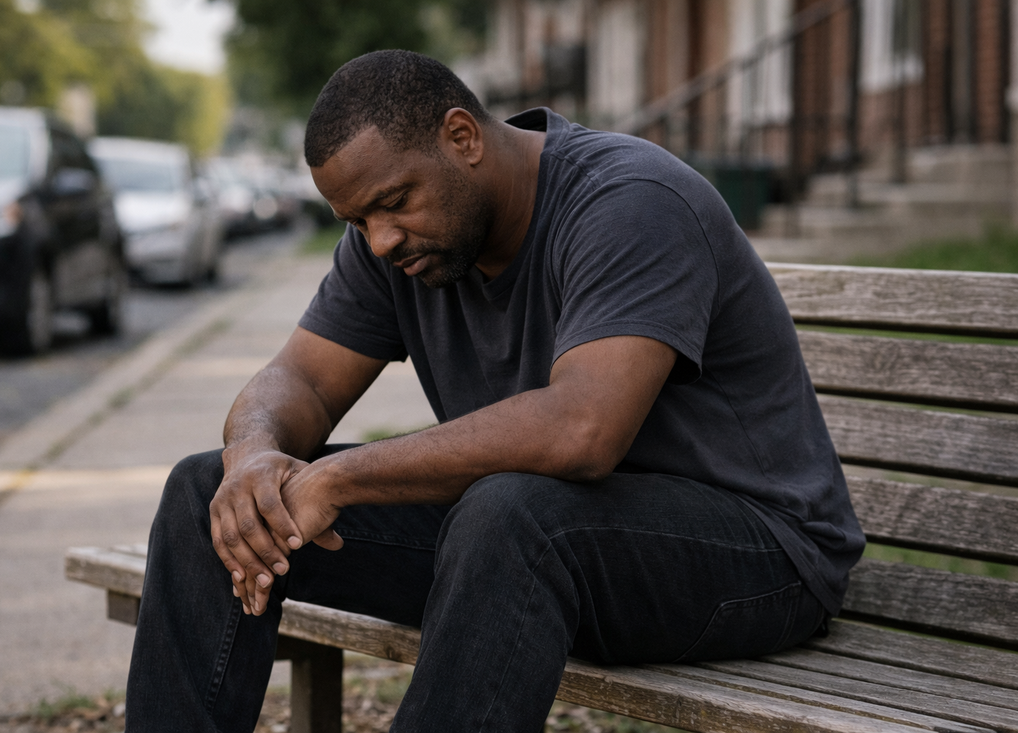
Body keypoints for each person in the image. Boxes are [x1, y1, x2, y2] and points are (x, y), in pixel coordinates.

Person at [125, 50, 864, 733]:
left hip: (759, 556)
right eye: (356, 221)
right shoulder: (395, 245)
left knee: (514, 510)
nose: (379, 239)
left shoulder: (630, 200)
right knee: (207, 493)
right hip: (540, 545)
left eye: (393, 202)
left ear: (462, 136)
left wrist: (341, 475)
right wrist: (254, 454)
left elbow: (582, 432)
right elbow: (302, 380)